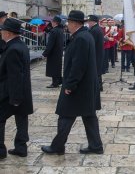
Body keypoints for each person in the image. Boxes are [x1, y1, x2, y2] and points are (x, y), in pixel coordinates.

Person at [41, 10, 103, 155]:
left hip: (79, 86)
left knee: (65, 114)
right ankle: (95, 146)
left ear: (75, 23)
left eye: (68, 22)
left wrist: (70, 85)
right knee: (89, 116)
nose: (67, 25)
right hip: (86, 86)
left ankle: (57, 146)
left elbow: (78, 65)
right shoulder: (84, 35)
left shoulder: (81, 38)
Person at [0, 18, 33, 158]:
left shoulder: (13, 49)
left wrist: (15, 98)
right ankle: (21, 147)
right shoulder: (20, 45)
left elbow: (15, 76)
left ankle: (0, 151)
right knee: (21, 119)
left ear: (7, 33)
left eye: (2, 31)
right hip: (22, 91)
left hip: (11, 93)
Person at [42, 16, 64, 88]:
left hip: (53, 52)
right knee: (57, 67)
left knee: (53, 68)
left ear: (55, 22)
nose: (51, 23)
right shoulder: (60, 30)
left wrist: (45, 53)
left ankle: (55, 83)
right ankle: (59, 80)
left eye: (52, 21)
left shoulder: (54, 31)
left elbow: (50, 43)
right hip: (58, 52)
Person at [87, 15, 104, 92]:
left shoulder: (94, 30)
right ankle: (99, 86)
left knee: (95, 70)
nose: (88, 23)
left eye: (89, 22)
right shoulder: (97, 29)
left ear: (92, 22)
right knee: (97, 70)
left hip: (95, 53)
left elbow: (91, 43)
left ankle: (98, 86)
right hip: (98, 52)